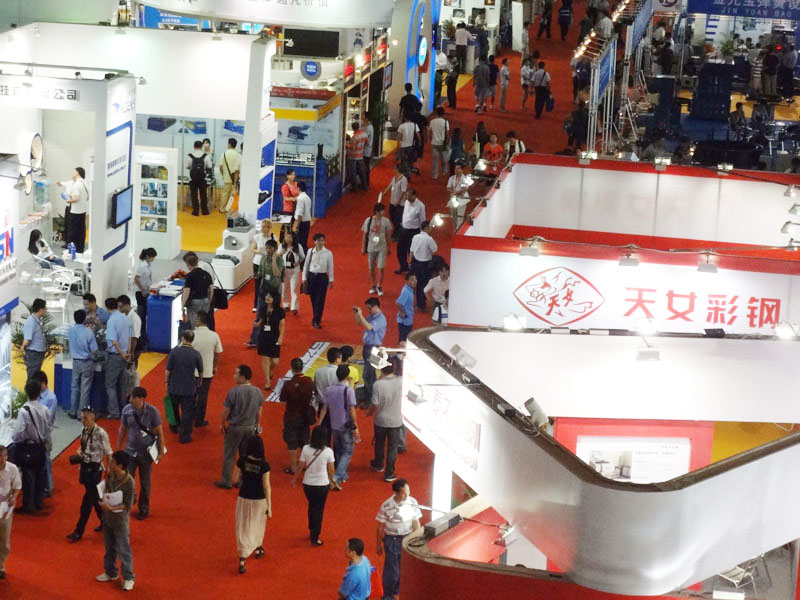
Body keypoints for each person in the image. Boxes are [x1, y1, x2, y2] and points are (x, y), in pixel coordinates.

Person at [118, 387, 165, 521]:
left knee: (145, 482)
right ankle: (129, 501)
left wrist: (161, 452)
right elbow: (122, 429)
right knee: (127, 480)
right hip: (129, 452)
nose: (130, 399)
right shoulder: (127, 410)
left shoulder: (152, 412)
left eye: (133, 397)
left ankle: (143, 508)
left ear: (141, 399)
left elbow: (159, 433)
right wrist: (118, 448)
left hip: (146, 454)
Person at [67, 407, 112, 542]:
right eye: (82, 417)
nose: (83, 420)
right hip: (85, 467)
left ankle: (78, 531)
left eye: (85, 418)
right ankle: (106, 523)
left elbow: (109, 453)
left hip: (95, 469)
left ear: (93, 417)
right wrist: (79, 453)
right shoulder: (84, 430)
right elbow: (83, 446)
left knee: (87, 501)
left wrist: (108, 470)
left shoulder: (101, 433)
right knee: (95, 498)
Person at [216, 365, 263, 489]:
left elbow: (226, 410)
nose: (234, 376)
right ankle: (243, 480)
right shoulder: (258, 391)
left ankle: (226, 481)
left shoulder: (233, 392)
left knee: (229, 455)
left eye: (236, 374)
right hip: (250, 428)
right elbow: (259, 411)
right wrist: (257, 424)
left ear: (242, 377)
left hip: (235, 428)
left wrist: (222, 423)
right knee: (246, 455)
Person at [95, 451, 135, 591]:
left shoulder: (129, 482)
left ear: (120, 465)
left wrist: (111, 507)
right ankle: (111, 572)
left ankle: (129, 578)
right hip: (107, 519)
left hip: (120, 521)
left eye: (113, 462)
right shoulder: (110, 476)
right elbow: (106, 489)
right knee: (109, 548)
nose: (110, 463)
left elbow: (128, 505)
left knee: (123, 550)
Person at [376, 479, 422, 600]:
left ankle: (397, 592)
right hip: (392, 539)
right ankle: (388, 595)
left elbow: (416, 522)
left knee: (405, 567)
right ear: (396, 493)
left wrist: (418, 539)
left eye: (408, 491)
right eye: (403, 493)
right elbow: (380, 526)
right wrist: (378, 544)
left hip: (408, 537)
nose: (407, 495)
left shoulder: (412, 502)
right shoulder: (386, 505)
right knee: (392, 570)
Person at [12, 379, 52, 513]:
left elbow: (19, 432)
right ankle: (39, 501)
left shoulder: (24, 411)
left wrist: (16, 440)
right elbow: (48, 429)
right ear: (39, 393)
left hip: (28, 447)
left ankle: (28, 505)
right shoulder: (45, 409)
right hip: (40, 446)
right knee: (40, 475)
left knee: (28, 477)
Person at [318, 365, 361, 490]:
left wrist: (319, 423)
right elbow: (352, 410)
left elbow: (324, 408)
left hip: (334, 424)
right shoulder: (349, 391)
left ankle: (341, 473)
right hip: (346, 425)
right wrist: (356, 427)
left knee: (337, 448)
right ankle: (336, 477)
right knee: (347, 451)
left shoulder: (329, 390)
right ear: (347, 376)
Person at [233, 435, 272, 574]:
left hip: (244, 497)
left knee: (243, 525)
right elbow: (266, 486)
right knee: (258, 524)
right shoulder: (264, 465)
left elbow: (234, 479)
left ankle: (243, 557)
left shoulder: (242, 461)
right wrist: (269, 505)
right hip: (259, 500)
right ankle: (257, 547)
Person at [292, 426, 335, 546]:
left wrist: (294, 479)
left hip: (308, 484)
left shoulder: (306, 448)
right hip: (322, 485)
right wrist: (333, 481)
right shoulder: (328, 451)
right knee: (319, 510)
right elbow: (331, 470)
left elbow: (300, 466)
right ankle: (315, 537)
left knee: (311, 506)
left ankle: (311, 528)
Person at [165, 329, 203, 444]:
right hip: (189, 388)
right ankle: (185, 435)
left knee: (173, 408)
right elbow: (201, 371)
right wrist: (199, 382)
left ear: (182, 338)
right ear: (192, 340)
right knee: (187, 412)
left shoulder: (174, 352)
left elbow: (167, 370)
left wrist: (166, 383)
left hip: (174, 386)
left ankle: (174, 427)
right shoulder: (196, 354)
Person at [368, 360, 403, 481]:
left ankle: (378, 464)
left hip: (381, 420)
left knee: (379, 443)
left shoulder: (378, 384)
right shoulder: (401, 381)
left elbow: (375, 404)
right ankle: (389, 473)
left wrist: (369, 412)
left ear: (381, 368)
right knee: (393, 447)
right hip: (396, 420)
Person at [280, 358, 314, 474]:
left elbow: (283, 399)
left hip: (291, 416)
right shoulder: (309, 381)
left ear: (291, 368)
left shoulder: (288, 384)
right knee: (305, 440)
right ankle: (305, 464)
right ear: (302, 367)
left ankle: (294, 467)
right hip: (305, 416)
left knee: (292, 442)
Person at [191, 311, 222, 427]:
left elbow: (182, 350)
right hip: (207, 372)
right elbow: (218, 353)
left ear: (199, 320)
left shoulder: (191, 334)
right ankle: (199, 420)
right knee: (203, 397)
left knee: (191, 396)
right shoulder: (214, 335)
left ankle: (189, 417)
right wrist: (215, 366)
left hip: (192, 372)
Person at [354, 297, 387, 405]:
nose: (368, 310)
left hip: (374, 349)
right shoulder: (372, 316)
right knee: (371, 374)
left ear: (376, 307)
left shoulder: (381, 319)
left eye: (370, 308)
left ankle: (370, 399)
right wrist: (357, 314)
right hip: (368, 347)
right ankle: (371, 393)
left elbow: (368, 327)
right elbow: (360, 323)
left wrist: (361, 315)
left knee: (368, 374)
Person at [104, 297, 132, 420]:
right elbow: (130, 338)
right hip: (125, 355)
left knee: (110, 384)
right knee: (122, 384)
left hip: (115, 356)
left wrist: (121, 354)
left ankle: (114, 412)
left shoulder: (111, 321)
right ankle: (124, 408)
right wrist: (127, 353)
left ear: (107, 307)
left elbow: (114, 341)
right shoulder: (126, 318)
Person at [67, 309, 98, 418]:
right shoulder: (88, 332)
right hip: (87, 362)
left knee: (74, 386)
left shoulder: (70, 331)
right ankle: (81, 414)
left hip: (75, 362)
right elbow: (94, 350)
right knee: (85, 389)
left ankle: (72, 411)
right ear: (85, 319)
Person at [30, 371, 56, 496]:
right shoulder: (37, 395)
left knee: (46, 462)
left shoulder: (51, 398)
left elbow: (48, 418)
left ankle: (49, 488)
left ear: (43, 383)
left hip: (45, 435)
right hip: (35, 435)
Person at [302, 233, 334, 330]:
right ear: (314, 241)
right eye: (319, 240)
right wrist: (304, 278)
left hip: (322, 278)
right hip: (312, 277)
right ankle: (316, 315)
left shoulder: (328, 253)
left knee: (320, 299)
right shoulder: (310, 251)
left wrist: (331, 280)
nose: (321, 242)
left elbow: (330, 267)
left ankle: (316, 319)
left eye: (322, 240)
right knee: (313, 299)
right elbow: (306, 265)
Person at [254, 290, 285, 390]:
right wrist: (257, 324)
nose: (267, 297)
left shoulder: (280, 311)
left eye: (270, 296)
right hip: (263, 336)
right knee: (265, 359)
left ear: (275, 299)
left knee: (275, 361)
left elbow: (282, 325)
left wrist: (281, 337)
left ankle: (271, 370)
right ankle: (267, 381)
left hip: (274, 336)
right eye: (266, 296)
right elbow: (261, 320)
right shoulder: (262, 309)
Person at [361, 203, 393, 295]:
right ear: (377, 211)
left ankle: (379, 285)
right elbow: (365, 235)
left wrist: (389, 247)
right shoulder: (368, 220)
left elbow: (388, 235)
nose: (384, 212)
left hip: (382, 247)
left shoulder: (386, 221)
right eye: (382, 210)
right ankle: (373, 285)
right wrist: (363, 247)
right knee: (371, 268)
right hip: (371, 247)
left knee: (381, 267)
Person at [0, 444, 21, 580]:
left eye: (5, 456)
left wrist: (14, 497)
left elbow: (17, 486)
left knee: (4, 540)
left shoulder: (12, 468)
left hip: (5, 507)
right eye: (0, 456)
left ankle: (0, 566)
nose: (3, 459)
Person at [55, 167, 89, 252]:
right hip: (82, 210)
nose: (72, 173)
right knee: (81, 230)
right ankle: (80, 248)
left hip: (75, 211)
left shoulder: (76, 185)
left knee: (72, 231)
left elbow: (76, 199)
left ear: (78, 173)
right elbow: (86, 197)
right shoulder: (85, 183)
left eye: (74, 171)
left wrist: (68, 200)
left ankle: (71, 250)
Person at [395, 190, 425, 275]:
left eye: (409, 196)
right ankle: (403, 266)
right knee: (400, 249)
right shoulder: (407, 202)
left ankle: (412, 270)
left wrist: (422, 233)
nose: (407, 197)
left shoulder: (420, 206)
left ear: (414, 195)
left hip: (413, 231)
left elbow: (422, 220)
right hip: (403, 230)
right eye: (406, 195)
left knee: (411, 251)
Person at [409, 221, 438, 310]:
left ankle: (419, 303)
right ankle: (421, 304)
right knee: (424, 284)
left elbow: (411, 251)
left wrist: (410, 262)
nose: (431, 228)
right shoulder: (429, 239)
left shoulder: (415, 237)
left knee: (417, 284)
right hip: (425, 265)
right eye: (430, 227)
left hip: (416, 263)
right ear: (426, 228)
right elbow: (435, 249)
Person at [182, 253, 214, 329]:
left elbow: (187, 291)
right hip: (205, 301)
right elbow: (211, 289)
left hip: (194, 302)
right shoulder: (206, 274)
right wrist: (209, 300)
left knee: (193, 323)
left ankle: (195, 335)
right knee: (203, 322)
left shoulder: (190, 276)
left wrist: (182, 304)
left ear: (188, 265)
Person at [250, 218, 275, 312]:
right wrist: (258, 251)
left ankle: (267, 304)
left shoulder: (273, 237)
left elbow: (276, 249)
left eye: (266, 227)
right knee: (257, 284)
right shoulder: (257, 237)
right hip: (258, 262)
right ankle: (256, 305)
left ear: (269, 227)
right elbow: (253, 249)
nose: (264, 229)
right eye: (263, 227)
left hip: (269, 263)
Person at [279, 230, 305, 315]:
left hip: (294, 270)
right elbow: (277, 256)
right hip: (285, 270)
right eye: (286, 237)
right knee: (284, 288)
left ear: (293, 238)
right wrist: (282, 252)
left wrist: (297, 263)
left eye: (290, 237)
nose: (288, 239)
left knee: (294, 288)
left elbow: (302, 257)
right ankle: (285, 304)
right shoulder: (282, 246)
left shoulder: (298, 246)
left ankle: (294, 307)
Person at [133, 247, 157, 345]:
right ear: (148, 256)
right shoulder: (142, 266)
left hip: (147, 291)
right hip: (140, 292)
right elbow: (136, 279)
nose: (153, 259)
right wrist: (142, 290)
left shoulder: (148, 265)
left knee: (145, 313)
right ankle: (140, 336)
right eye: (152, 257)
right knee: (142, 314)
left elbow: (149, 277)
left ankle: (143, 333)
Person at [21, 298, 47, 380]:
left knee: (35, 377)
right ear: (40, 309)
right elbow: (27, 340)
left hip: (37, 354)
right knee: (32, 377)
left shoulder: (36, 321)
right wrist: (22, 347)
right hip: (33, 354)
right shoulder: (31, 322)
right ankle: (29, 388)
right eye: (45, 308)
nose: (45, 310)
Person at [187, 139, 212, 216]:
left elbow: (186, 166)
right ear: (201, 146)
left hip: (192, 178)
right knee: (203, 195)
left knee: (194, 195)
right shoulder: (206, 156)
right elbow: (209, 166)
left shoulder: (190, 156)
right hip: (202, 178)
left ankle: (195, 211)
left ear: (194, 146)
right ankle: (205, 211)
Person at [383, 163, 408, 236]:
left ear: (398, 170)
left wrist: (398, 201)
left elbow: (403, 192)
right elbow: (390, 186)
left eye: (395, 168)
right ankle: (399, 229)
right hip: (392, 201)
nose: (393, 169)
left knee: (397, 218)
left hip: (399, 204)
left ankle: (396, 233)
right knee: (392, 216)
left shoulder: (404, 179)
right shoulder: (394, 178)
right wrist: (384, 192)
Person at [447, 161, 472, 232]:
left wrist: (455, 192)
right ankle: (455, 231)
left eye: (458, 168)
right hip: (454, 199)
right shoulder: (451, 178)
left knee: (460, 217)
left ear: (462, 170)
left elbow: (465, 189)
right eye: (455, 169)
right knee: (453, 216)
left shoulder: (466, 178)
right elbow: (448, 188)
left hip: (462, 200)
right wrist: (456, 193)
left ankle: (459, 232)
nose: (456, 170)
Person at [117, 295, 142, 366]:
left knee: (131, 367)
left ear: (127, 305)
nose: (119, 309)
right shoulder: (123, 315)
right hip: (125, 345)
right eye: (118, 307)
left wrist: (131, 353)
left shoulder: (134, 318)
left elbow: (135, 337)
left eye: (121, 307)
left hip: (134, 347)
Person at [218, 137, 241, 213]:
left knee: (225, 194)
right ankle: (231, 209)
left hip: (227, 177)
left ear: (229, 144)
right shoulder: (238, 155)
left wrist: (223, 174)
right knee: (233, 194)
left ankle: (222, 208)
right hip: (235, 178)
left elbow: (221, 166)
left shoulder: (224, 154)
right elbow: (238, 169)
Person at [346, 120, 369, 191]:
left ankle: (354, 187)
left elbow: (352, 147)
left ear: (353, 128)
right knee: (362, 172)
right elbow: (367, 143)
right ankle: (364, 186)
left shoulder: (355, 137)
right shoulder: (364, 134)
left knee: (353, 172)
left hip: (353, 156)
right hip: (360, 156)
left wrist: (346, 144)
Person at [428, 107, 450, 180]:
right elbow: (447, 133)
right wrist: (448, 141)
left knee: (435, 160)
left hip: (434, 143)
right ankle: (444, 171)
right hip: (443, 143)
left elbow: (429, 132)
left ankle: (435, 175)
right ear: (443, 113)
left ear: (436, 113)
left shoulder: (432, 121)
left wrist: (429, 139)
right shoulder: (445, 122)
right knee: (444, 158)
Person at [396, 273, 417, 344]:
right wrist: (402, 312)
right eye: (412, 280)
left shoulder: (409, 289)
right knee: (403, 341)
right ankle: (400, 351)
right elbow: (398, 303)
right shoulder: (406, 292)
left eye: (415, 279)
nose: (415, 281)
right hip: (405, 321)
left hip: (407, 319)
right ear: (407, 281)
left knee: (404, 340)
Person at [292, 181, 313, 251]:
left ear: (298, 188)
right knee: (304, 241)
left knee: (299, 243)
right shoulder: (307, 197)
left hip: (301, 223)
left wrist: (297, 226)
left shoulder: (300, 199)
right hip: (307, 222)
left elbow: (300, 213)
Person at [362, 114, 374, 187]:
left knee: (365, 167)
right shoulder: (369, 127)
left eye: (363, 117)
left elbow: (365, 139)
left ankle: (365, 183)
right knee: (366, 166)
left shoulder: (368, 128)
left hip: (366, 150)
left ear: (366, 118)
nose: (362, 118)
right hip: (367, 149)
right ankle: (365, 183)